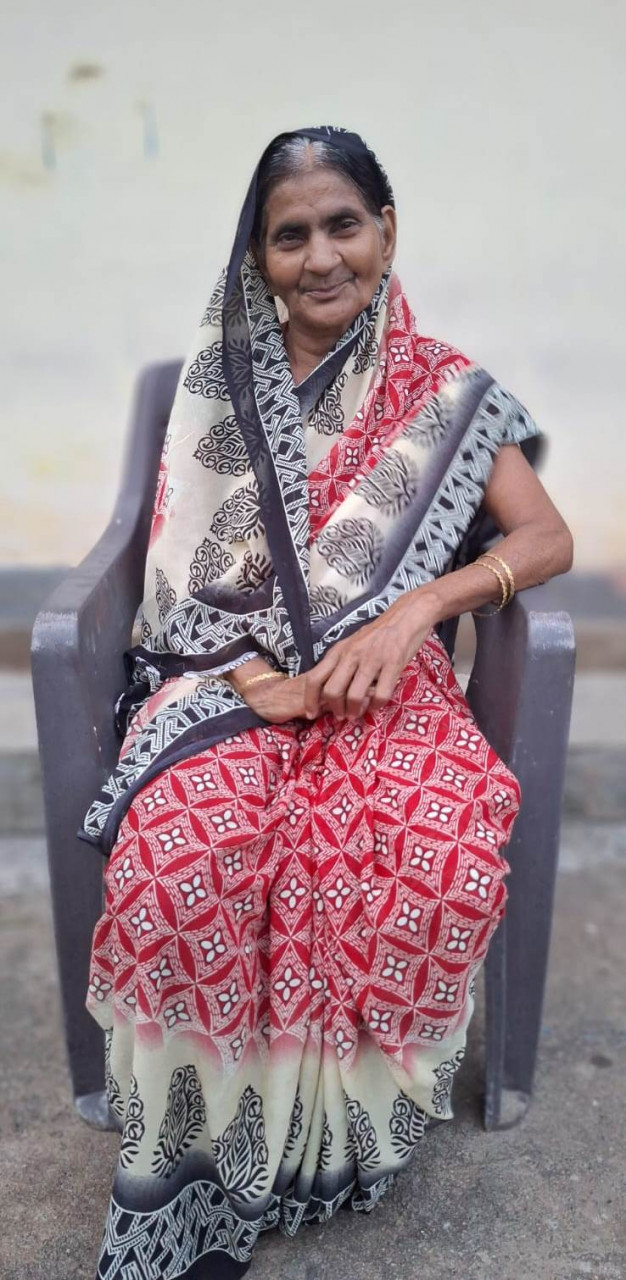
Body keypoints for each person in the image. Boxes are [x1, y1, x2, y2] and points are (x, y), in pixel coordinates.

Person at [84, 126, 573, 1280]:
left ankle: (323, 1150)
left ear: (384, 231)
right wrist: (259, 678)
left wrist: (418, 611)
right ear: (255, 256)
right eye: (288, 234)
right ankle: (193, 1167)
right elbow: (175, 577)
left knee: (431, 859)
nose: (318, 256)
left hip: (387, 693)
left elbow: (543, 535)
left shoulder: (443, 388)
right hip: (225, 685)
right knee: (179, 863)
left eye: (341, 225)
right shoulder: (214, 396)